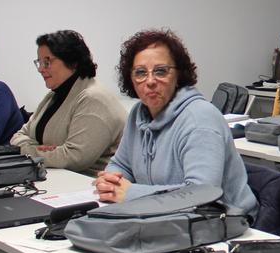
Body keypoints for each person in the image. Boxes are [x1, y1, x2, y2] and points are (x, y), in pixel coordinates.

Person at [94, 29, 258, 218]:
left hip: (226, 223)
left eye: (160, 71)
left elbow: (203, 195)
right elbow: (121, 165)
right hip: (164, 216)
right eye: (140, 73)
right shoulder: (139, 114)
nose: (150, 81)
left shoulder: (200, 118)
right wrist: (110, 183)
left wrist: (130, 193)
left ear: (178, 74)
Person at [10, 30, 125, 175]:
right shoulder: (53, 96)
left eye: (47, 62)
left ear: (72, 61)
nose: (40, 69)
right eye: (39, 62)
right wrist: (38, 149)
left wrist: (28, 150)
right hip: (56, 179)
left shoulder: (94, 98)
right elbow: (18, 136)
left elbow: (74, 158)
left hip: (91, 185)